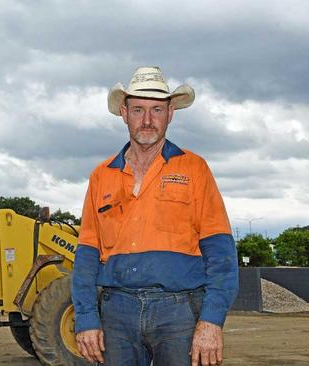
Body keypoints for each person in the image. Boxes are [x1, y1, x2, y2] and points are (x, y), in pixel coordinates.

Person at [72, 66, 238, 366]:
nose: (147, 120)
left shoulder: (194, 169)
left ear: (170, 113)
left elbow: (222, 256)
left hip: (179, 313)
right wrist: (85, 318)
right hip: (116, 313)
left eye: (156, 110)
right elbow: (85, 257)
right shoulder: (101, 176)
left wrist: (211, 321)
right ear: (124, 113)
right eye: (138, 109)